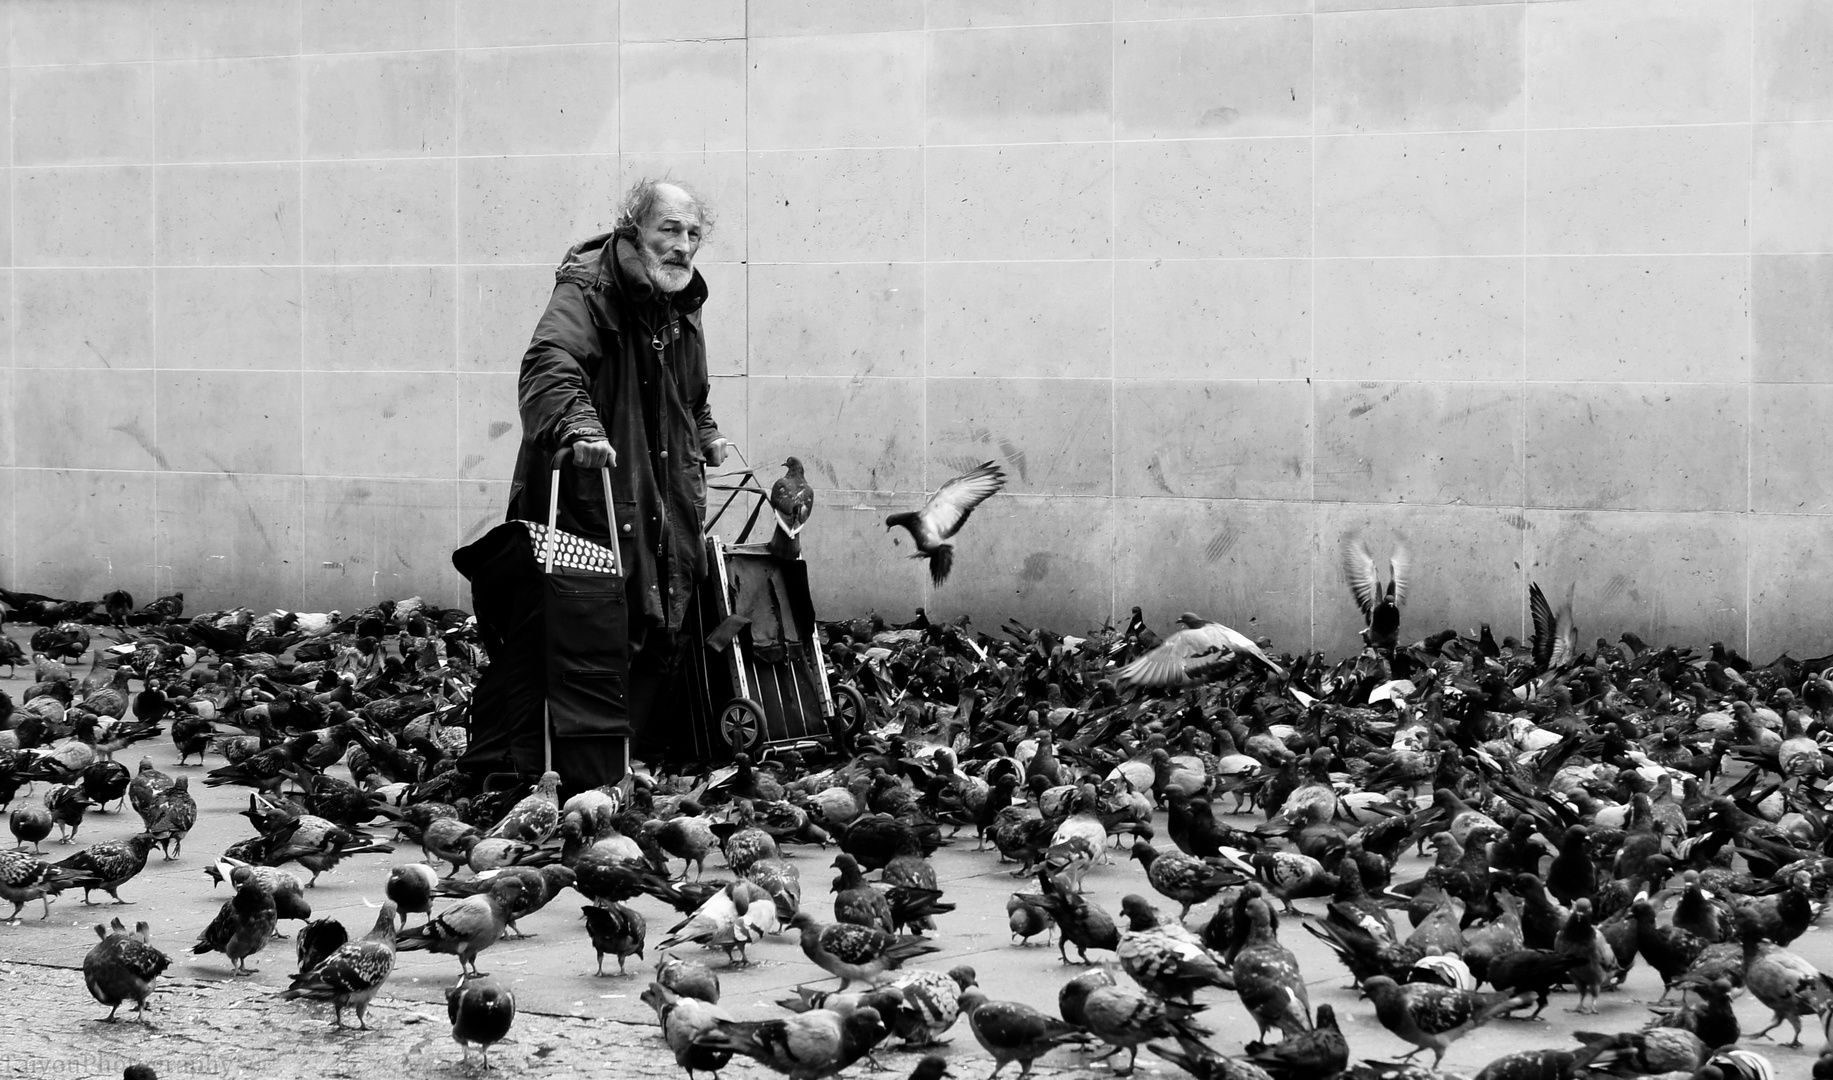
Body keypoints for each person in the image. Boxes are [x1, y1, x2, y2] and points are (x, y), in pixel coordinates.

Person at [507, 177, 732, 769]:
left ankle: (627, 759)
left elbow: (693, 390)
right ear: (634, 228)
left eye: (693, 233)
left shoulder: (680, 300)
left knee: (666, 621)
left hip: (668, 490)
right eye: (670, 229)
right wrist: (579, 429)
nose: (683, 245)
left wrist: (706, 433)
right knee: (601, 625)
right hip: (600, 488)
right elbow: (550, 364)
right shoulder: (589, 286)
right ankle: (575, 763)